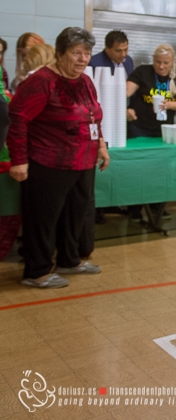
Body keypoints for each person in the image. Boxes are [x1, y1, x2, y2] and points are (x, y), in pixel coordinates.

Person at [8, 28, 109, 288]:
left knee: (75, 215)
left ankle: (69, 260)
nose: (83, 59)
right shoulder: (42, 81)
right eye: (76, 53)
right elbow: (18, 119)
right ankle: (37, 272)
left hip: (83, 161)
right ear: (61, 53)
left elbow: (93, 116)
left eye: (86, 53)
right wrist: (19, 160)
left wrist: (100, 145)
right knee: (42, 219)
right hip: (48, 162)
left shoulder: (85, 81)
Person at [127, 44, 176, 223]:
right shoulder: (142, 72)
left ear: (172, 62)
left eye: (165, 63)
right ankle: (134, 208)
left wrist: (168, 105)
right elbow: (126, 91)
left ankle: (157, 206)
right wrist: (125, 108)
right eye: (157, 62)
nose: (161, 66)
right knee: (138, 168)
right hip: (140, 127)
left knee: (160, 169)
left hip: (164, 130)